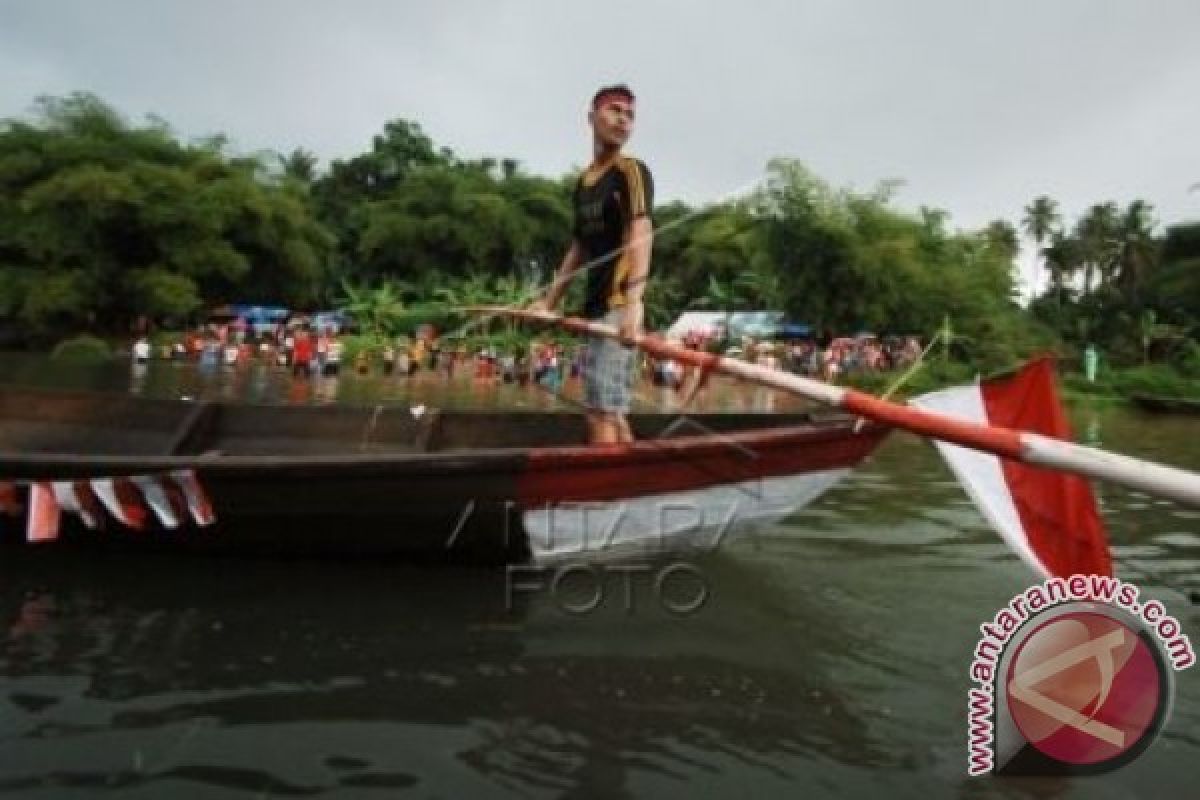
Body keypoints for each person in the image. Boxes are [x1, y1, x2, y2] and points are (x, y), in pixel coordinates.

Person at [528, 84, 654, 445]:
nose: (623, 120)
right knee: (609, 410)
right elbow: (578, 248)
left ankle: (610, 498)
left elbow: (641, 232)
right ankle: (635, 482)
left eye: (629, 115)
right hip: (595, 309)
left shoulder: (631, 171)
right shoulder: (583, 184)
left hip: (618, 307)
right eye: (614, 110)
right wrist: (549, 303)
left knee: (600, 412)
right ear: (591, 117)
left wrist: (634, 305)